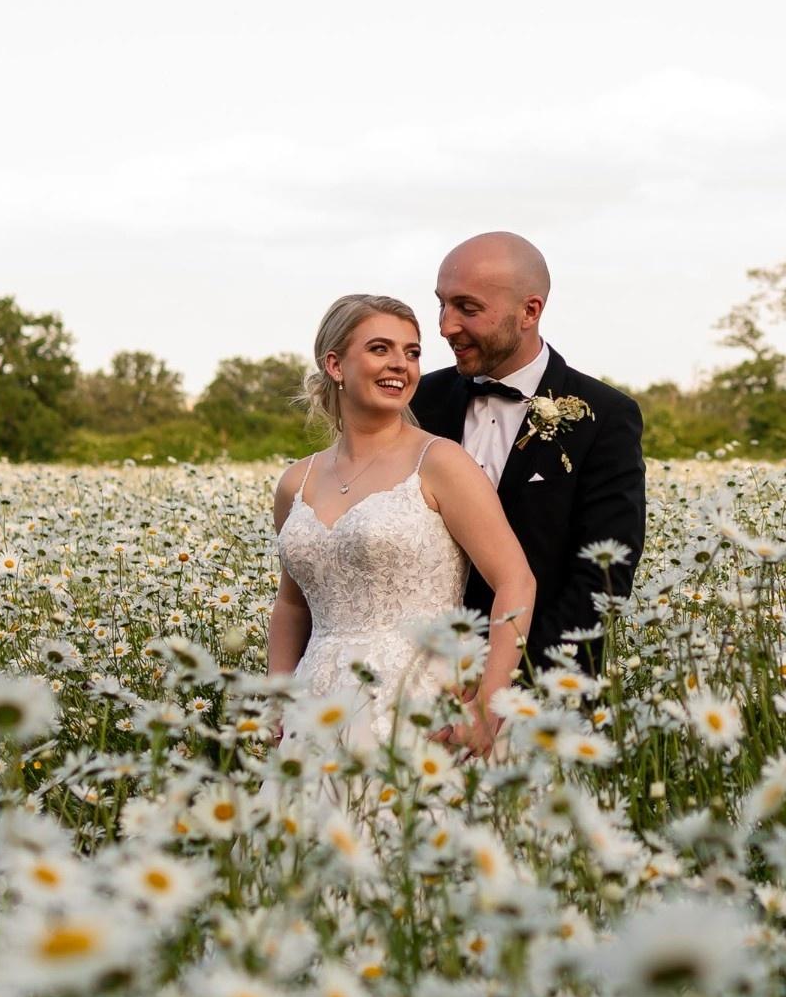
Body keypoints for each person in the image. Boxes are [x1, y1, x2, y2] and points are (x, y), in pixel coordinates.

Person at [267, 293, 535, 755]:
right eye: (380, 349)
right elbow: (292, 606)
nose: (401, 365)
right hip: (314, 709)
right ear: (335, 365)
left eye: (412, 352)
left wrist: (488, 705)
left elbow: (516, 582)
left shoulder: (440, 462)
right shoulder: (297, 481)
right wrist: (276, 696)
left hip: (419, 707)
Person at [410, 233, 646, 673]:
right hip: (416, 681)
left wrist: (507, 682)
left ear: (530, 311)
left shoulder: (605, 416)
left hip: (540, 691)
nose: (445, 326)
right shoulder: (417, 402)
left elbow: (604, 573)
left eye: (468, 308)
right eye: (442, 303)